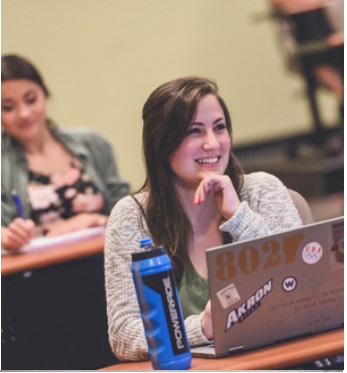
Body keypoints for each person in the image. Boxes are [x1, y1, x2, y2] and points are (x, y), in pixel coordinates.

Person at [104, 76, 303, 362]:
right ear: (162, 142)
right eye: (194, 132)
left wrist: (239, 218)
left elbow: (299, 293)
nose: (212, 143)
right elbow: (124, 335)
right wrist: (203, 328)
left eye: (219, 128)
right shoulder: (132, 215)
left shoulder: (261, 190)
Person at [1, 54, 129, 251]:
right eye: (8, 107)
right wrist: (8, 237)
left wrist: (94, 220)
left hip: (106, 260)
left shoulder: (92, 144)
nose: (24, 113)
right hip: (36, 273)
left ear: (45, 94)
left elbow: (128, 213)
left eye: (31, 100)